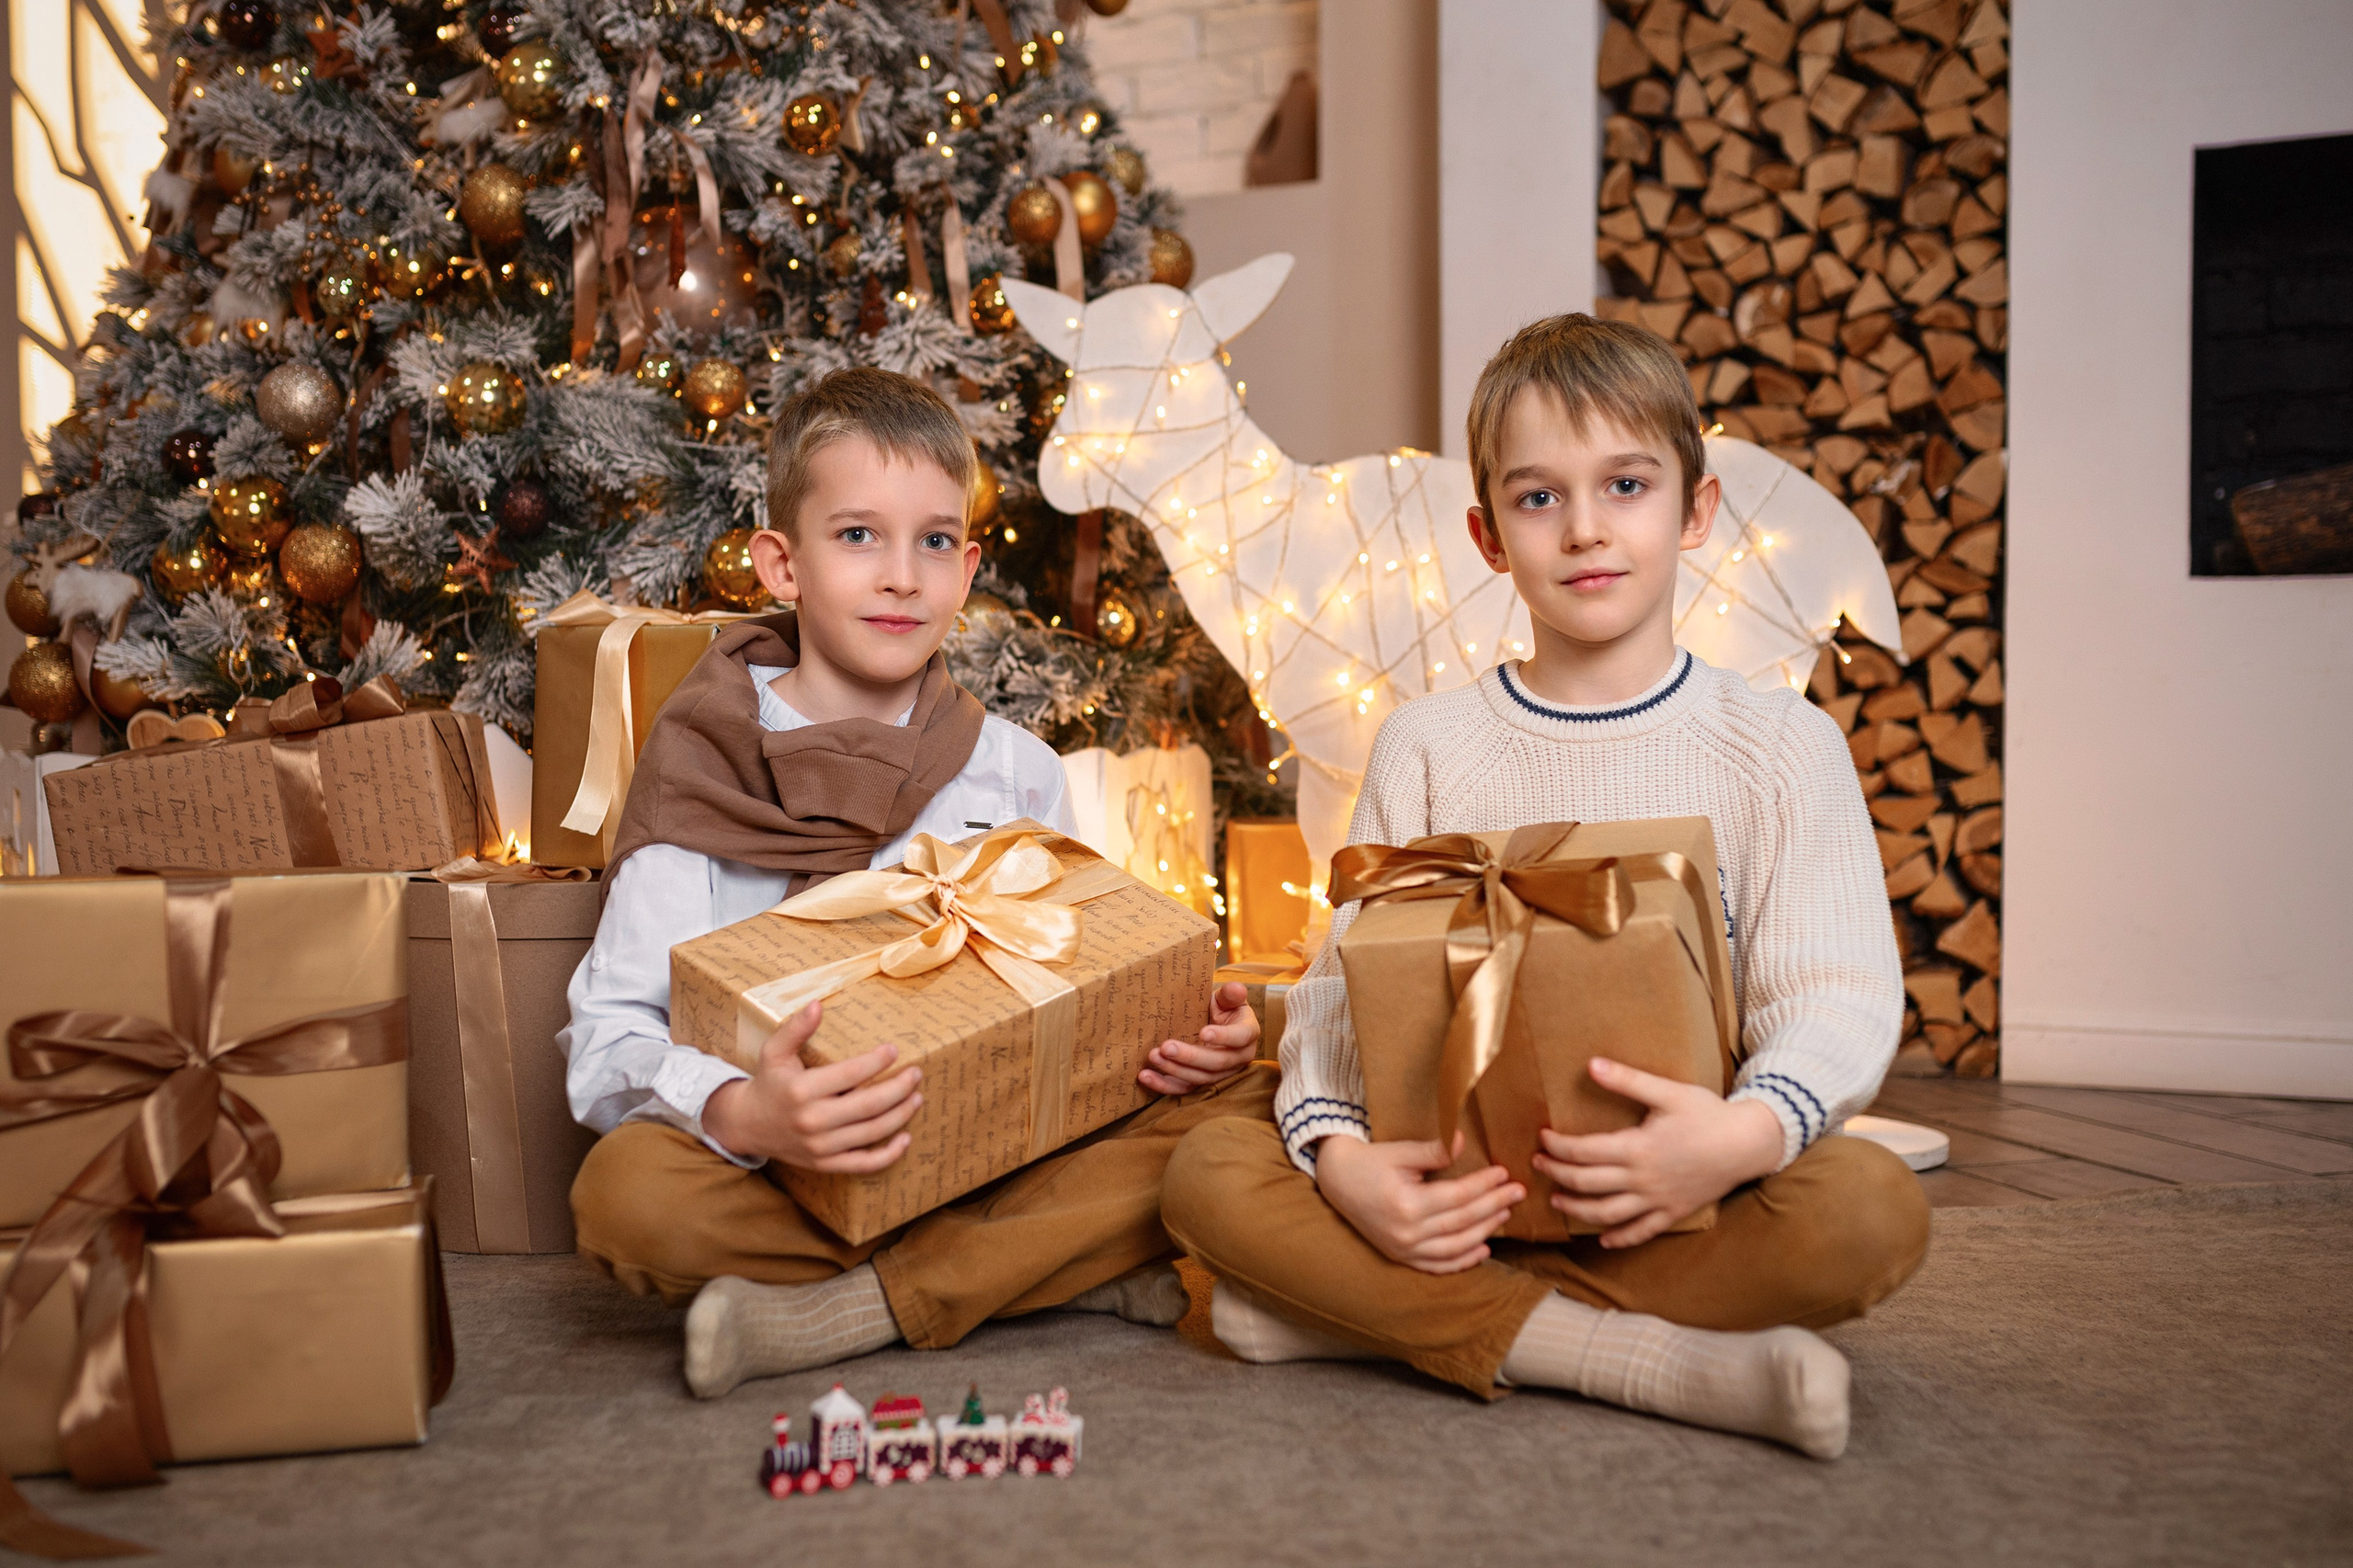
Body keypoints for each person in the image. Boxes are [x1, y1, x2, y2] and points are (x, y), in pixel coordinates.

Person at [1161, 315, 1929, 1460]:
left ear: (1696, 509)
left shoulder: (1779, 744)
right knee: (1208, 1167)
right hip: (1447, 1200)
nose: (1584, 529)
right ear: (1486, 535)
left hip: (1676, 1198)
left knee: (1871, 1206)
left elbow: (1836, 993)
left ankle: (1369, 1317)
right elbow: (1335, 995)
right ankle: (1632, 1356)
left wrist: (1734, 1139)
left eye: (1626, 484)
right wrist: (1351, 1169)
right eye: (1537, 498)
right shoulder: (1426, 744)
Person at [561, 367, 1271, 1398]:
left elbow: (1072, 987)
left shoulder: (1015, 770)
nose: (902, 577)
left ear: (967, 568)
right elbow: (609, 1039)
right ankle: (1046, 1267)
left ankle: (850, 1309)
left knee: (1253, 1097)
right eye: (858, 535)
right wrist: (748, 1114)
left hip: (999, 1142)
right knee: (624, 1196)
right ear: (781, 563)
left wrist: (1181, 1037)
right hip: (800, 1170)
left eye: (935, 541)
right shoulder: (698, 771)